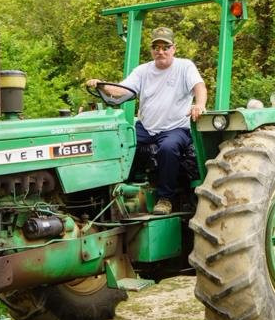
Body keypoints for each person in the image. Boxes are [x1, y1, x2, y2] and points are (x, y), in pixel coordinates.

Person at [86, 27, 207, 215]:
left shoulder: (185, 67)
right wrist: (101, 85)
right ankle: (111, 191)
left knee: (168, 148)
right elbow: (122, 90)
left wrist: (199, 105)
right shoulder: (143, 71)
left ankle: (165, 198)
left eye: (165, 47)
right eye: (156, 47)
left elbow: (199, 86)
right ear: (151, 50)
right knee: (121, 141)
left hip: (175, 128)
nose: (160, 51)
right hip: (147, 127)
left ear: (173, 48)